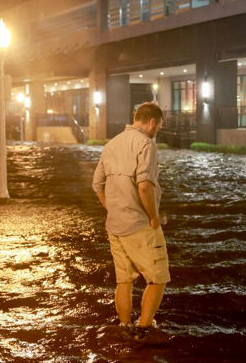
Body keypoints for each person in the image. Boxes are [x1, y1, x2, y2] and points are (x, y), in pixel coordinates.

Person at [92, 102, 169, 343]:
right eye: (159, 126)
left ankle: (125, 326)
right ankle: (144, 329)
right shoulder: (146, 143)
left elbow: (96, 185)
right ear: (153, 122)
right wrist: (154, 217)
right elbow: (144, 185)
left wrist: (112, 208)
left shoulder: (111, 144)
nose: (157, 131)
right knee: (158, 277)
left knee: (123, 280)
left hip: (114, 224)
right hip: (139, 225)